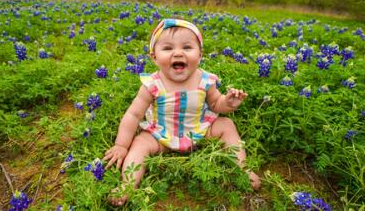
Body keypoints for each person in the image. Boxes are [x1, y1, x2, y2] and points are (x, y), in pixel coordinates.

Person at [103, 19, 261, 206]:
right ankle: (128, 184)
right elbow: (133, 115)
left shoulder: (205, 80)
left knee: (226, 124)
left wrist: (228, 102)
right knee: (139, 143)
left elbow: (216, 104)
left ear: (200, 55)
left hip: (199, 131)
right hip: (161, 135)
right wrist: (121, 145)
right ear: (154, 57)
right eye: (168, 48)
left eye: (187, 47)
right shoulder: (152, 84)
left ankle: (242, 169)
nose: (178, 52)